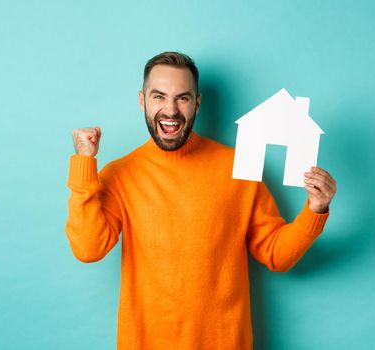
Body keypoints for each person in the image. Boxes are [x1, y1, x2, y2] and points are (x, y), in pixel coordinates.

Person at [66, 51, 337, 349]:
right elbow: (88, 248)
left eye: (182, 98)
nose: (170, 110)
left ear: (197, 102)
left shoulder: (238, 167)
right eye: (159, 97)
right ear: (143, 101)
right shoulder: (120, 174)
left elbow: (276, 254)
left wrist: (316, 209)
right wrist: (84, 163)